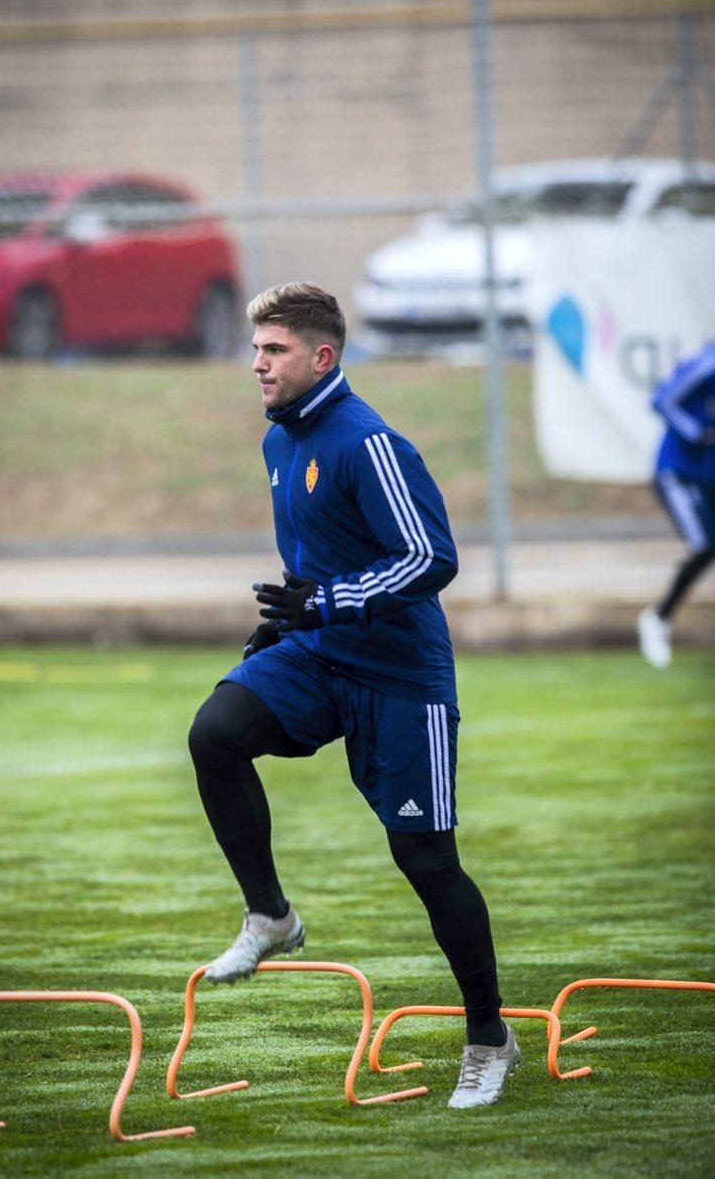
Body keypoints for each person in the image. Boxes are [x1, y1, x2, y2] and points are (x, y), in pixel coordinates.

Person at [188, 282, 518, 1109]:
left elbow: (430, 558)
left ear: (322, 356)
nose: (256, 362)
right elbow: (321, 559)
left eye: (274, 350)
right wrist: (293, 616)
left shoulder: (370, 443)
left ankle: (489, 1037)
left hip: (401, 676)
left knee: (426, 860)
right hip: (318, 651)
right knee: (215, 730)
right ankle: (271, 917)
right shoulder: (279, 442)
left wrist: (329, 601)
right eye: (256, 348)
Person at [638, 342, 715, 669]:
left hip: (709, 474)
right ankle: (658, 618)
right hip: (681, 472)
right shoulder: (706, 365)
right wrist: (699, 432)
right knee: (705, 545)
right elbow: (662, 399)